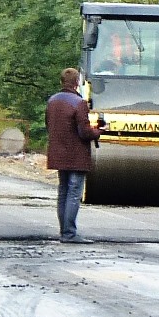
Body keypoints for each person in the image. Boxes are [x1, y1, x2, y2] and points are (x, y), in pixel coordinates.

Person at [45, 67, 103, 243]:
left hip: (58, 153)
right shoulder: (79, 103)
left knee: (63, 191)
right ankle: (70, 233)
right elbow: (84, 132)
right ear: (77, 82)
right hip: (76, 155)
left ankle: (64, 230)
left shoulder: (52, 101)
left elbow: (48, 125)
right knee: (74, 192)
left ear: (61, 81)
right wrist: (98, 131)